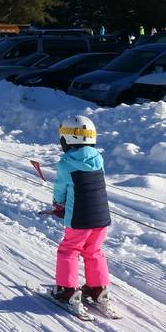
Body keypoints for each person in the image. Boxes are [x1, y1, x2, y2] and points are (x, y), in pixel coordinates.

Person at [50, 116, 112, 310]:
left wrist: (58, 204)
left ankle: (67, 290)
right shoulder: (98, 159)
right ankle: (97, 289)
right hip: (101, 218)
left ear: (67, 140)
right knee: (93, 251)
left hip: (79, 219)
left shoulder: (66, 164)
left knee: (69, 250)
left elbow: (60, 189)